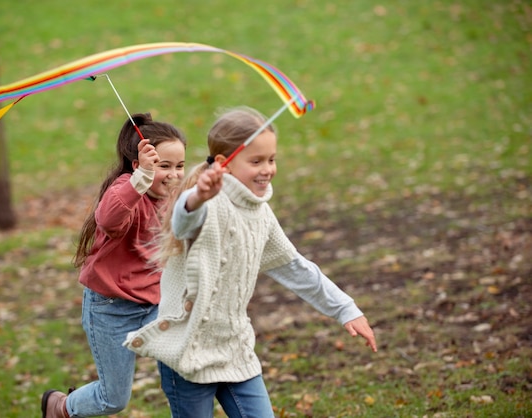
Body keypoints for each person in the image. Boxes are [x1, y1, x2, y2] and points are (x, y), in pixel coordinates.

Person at [124, 106, 378, 418]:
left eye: (271, 159)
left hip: (233, 349)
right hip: (186, 351)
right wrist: (197, 198)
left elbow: (294, 267)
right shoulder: (208, 202)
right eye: (256, 161)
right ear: (224, 164)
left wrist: (344, 308)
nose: (267, 169)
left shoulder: (260, 214)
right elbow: (183, 225)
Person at [41, 113, 187, 418]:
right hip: (111, 308)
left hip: (156, 304)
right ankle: (60, 408)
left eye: (179, 166)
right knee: (114, 399)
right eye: (164, 166)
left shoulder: (176, 199)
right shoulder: (126, 191)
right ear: (140, 166)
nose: (174, 175)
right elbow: (108, 219)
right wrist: (139, 182)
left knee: (185, 367)